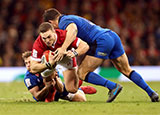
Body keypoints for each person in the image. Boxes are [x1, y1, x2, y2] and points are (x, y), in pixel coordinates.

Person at [42, 8, 159, 102]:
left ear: (51, 22)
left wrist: (62, 49)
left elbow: (73, 30)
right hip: (112, 36)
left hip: (101, 41)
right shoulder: (70, 17)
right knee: (127, 70)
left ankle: (112, 86)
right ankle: (152, 93)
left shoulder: (64, 21)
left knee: (82, 73)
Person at [30, 22, 95, 95]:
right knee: (48, 82)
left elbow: (85, 46)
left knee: (72, 89)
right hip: (50, 61)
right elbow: (33, 67)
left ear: (54, 31)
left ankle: (80, 87)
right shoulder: (38, 43)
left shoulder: (64, 35)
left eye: (49, 37)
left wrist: (74, 53)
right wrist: (48, 65)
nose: (47, 41)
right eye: (44, 38)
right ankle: (53, 89)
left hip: (66, 57)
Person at [22, 51, 87, 102]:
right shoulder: (28, 78)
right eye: (26, 63)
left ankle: (79, 89)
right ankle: (76, 87)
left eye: (29, 62)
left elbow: (60, 89)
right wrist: (47, 87)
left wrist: (55, 79)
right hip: (44, 96)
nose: (28, 65)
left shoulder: (48, 69)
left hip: (57, 91)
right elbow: (37, 96)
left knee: (82, 99)